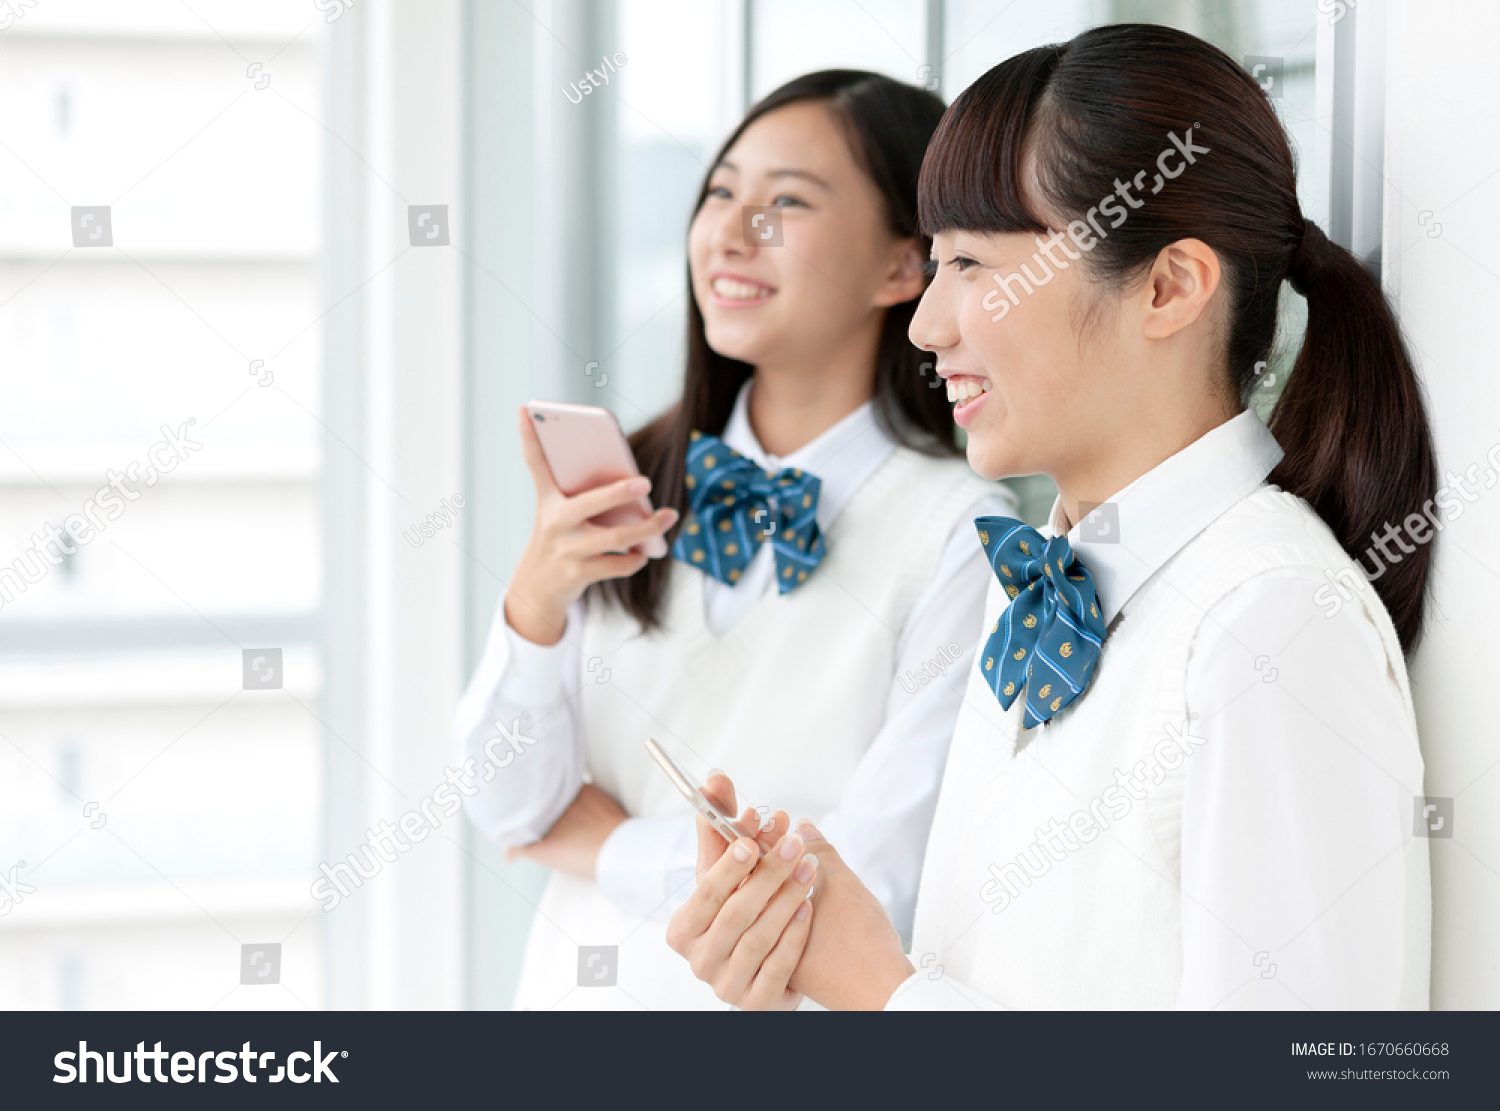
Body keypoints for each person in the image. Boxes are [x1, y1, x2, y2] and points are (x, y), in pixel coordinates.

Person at [666, 24, 1435, 1011]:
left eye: (977, 266)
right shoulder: (1036, 586)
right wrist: (803, 974)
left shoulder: (1272, 619)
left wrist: (884, 991)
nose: (925, 324)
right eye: (934, 263)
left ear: (1168, 287)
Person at [453, 70, 1014, 1010]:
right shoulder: (625, 478)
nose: (730, 227)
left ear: (901, 266)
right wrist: (536, 600)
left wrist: (607, 845)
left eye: (786, 200)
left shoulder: (962, 531)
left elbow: (871, 881)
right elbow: (510, 807)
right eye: (720, 192)